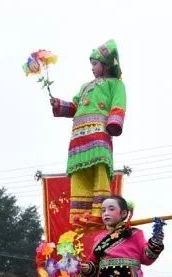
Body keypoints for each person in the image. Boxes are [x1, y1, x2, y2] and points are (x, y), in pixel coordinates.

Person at [50, 39, 125, 229]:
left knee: (100, 170)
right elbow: (75, 107)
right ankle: (79, 217)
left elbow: (118, 104)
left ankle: (99, 213)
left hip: (99, 133)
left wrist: (114, 123)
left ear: (106, 64)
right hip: (78, 136)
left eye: (95, 64)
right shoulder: (85, 86)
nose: (92, 68)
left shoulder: (116, 84)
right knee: (78, 173)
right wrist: (58, 104)